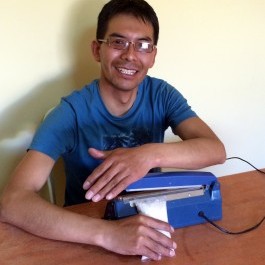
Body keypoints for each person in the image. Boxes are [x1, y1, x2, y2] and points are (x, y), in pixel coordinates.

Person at [0, 0, 226, 261]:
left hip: (149, 219)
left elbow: (215, 150)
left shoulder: (162, 95)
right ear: (97, 50)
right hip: (87, 233)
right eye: (118, 42)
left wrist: (148, 155)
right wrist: (108, 234)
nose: (130, 55)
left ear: (152, 55)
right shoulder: (70, 113)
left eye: (142, 45)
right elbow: (12, 202)